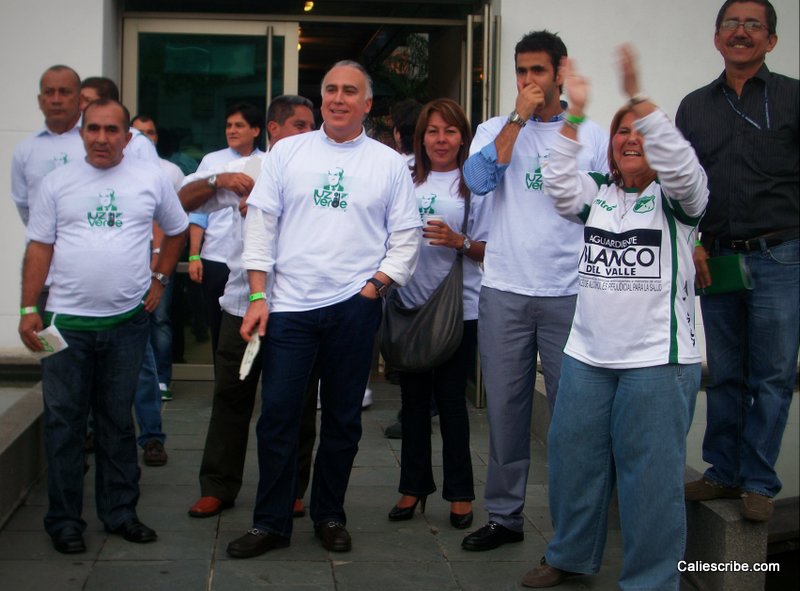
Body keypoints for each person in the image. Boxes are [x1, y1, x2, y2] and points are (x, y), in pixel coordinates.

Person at [521, 47, 708, 590]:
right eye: (622, 132)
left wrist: (637, 100)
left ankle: (651, 581)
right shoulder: (597, 195)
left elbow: (681, 163)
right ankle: (570, 556)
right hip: (588, 356)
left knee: (650, 480)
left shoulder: (679, 200)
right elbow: (558, 181)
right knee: (573, 461)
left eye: (641, 133)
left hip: (657, 361)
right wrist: (575, 115)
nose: (631, 139)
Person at [226, 60, 420, 558]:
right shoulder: (287, 152)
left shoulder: (388, 163)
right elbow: (261, 225)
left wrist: (374, 288)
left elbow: (406, 238)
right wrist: (257, 296)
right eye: (330, 89)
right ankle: (270, 523)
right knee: (278, 417)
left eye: (349, 91)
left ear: (367, 104)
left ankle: (329, 514)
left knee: (342, 421)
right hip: (289, 309)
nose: (337, 98)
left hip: (354, 308)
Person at [18, 99, 188, 554]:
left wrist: (160, 278)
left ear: (128, 138)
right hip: (64, 326)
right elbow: (39, 247)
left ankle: (120, 513)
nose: (101, 138)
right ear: (81, 133)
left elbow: (177, 229)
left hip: (126, 323)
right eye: (92, 128)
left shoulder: (150, 178)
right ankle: (64, 521)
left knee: (117, 422)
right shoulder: (57, 183)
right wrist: (28, 308)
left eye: (112, 130)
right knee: (64, 424)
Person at [460, 30, 608, 552]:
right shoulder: (495, 128)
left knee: (573, 416)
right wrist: (518, 121)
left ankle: (574, 529)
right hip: (505, 288)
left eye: (538, 71)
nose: (528, 81)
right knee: (506, 411)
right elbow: (478, 181)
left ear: (560, 72)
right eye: (521, 71)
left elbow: (608, 207)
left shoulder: (591, 133)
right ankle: (504, 517)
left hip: (571, 290)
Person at [677, 0, 799, 524]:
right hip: (718, 257)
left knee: (772, 375)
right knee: (725, 372)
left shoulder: (793, 97)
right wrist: (694, 242)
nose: (741, 32)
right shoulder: (694, 107)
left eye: (754, 25)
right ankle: (723, 471)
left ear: (771, 40)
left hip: (781, 255)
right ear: (716, 37)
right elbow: (680, 186)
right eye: (731, 23)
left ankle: (759, 482)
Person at [181, 95, 317, 519]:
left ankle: (292, 488)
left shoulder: (319, 173)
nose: (308, 133)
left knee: (297, 404)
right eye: (299, 125)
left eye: (311, 126)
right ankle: (218, 486)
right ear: (273, 129)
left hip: (297, 308)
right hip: (242, 306)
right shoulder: (245, 171)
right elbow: (182, 200)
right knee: (230, 398)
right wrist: (218, 180)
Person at [387, 98, 490, 530]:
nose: (441, 139)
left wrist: (458, 241)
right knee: (412, 403)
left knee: (450, 403)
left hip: (459, 310)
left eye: (450, 131)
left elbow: (491, 251)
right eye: (433, 131)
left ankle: (460, 493)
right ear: (421, 137)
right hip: (408, 305)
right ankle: (412, 487)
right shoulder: (402, 176)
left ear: (463, 137)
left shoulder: (475, 185)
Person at [187, 102, 265, 361]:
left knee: (248, 330)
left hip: (246, 262)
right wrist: (194, 254)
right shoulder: (213, 160)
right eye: (229, 125)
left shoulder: (265, 162)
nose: (231, 130)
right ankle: (224, 377)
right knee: (219, 329)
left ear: (256, 130)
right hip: (215, 257)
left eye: (239, 125)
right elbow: (197, 212)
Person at [132, 114, 184, 406]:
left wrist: (157, 256)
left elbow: (177, 219)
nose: (144, 139)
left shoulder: (170, 172)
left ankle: (162, 378)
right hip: (128, 259)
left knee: (160, 318)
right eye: (138, 133)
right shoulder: (118, 172)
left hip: (162, 256)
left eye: (149, 133)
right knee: (132, 320)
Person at [383, 98, 423, 439]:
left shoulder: (392, 167)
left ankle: (413, 408)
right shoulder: (423, 170)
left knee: (407, 348)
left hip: (397, 277)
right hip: (430, 279)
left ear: (398, 134)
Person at [11, 65, 84, 227]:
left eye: (64, 92)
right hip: (42, 240)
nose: (56, 100)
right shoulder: (25, 149)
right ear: (40, 100)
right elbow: (23, 203)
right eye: (49, 92)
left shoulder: (95, 143)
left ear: (80, 100)